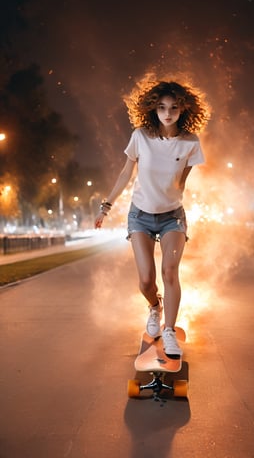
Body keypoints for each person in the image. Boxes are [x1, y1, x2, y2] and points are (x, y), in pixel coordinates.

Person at [95, 79, 209, 356]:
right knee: (146, 280)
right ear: (153, 109)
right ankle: (154, 307)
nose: (167, 113)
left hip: (172, 217)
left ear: (183, 110)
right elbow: (125, 173)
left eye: (173, 107)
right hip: (140, 217)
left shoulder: (190, 142)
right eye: (161, 107)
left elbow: (181, 182)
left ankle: (169, 331)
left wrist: (171, 195)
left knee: (170, 272)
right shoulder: (140, 136)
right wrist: (106, 206)